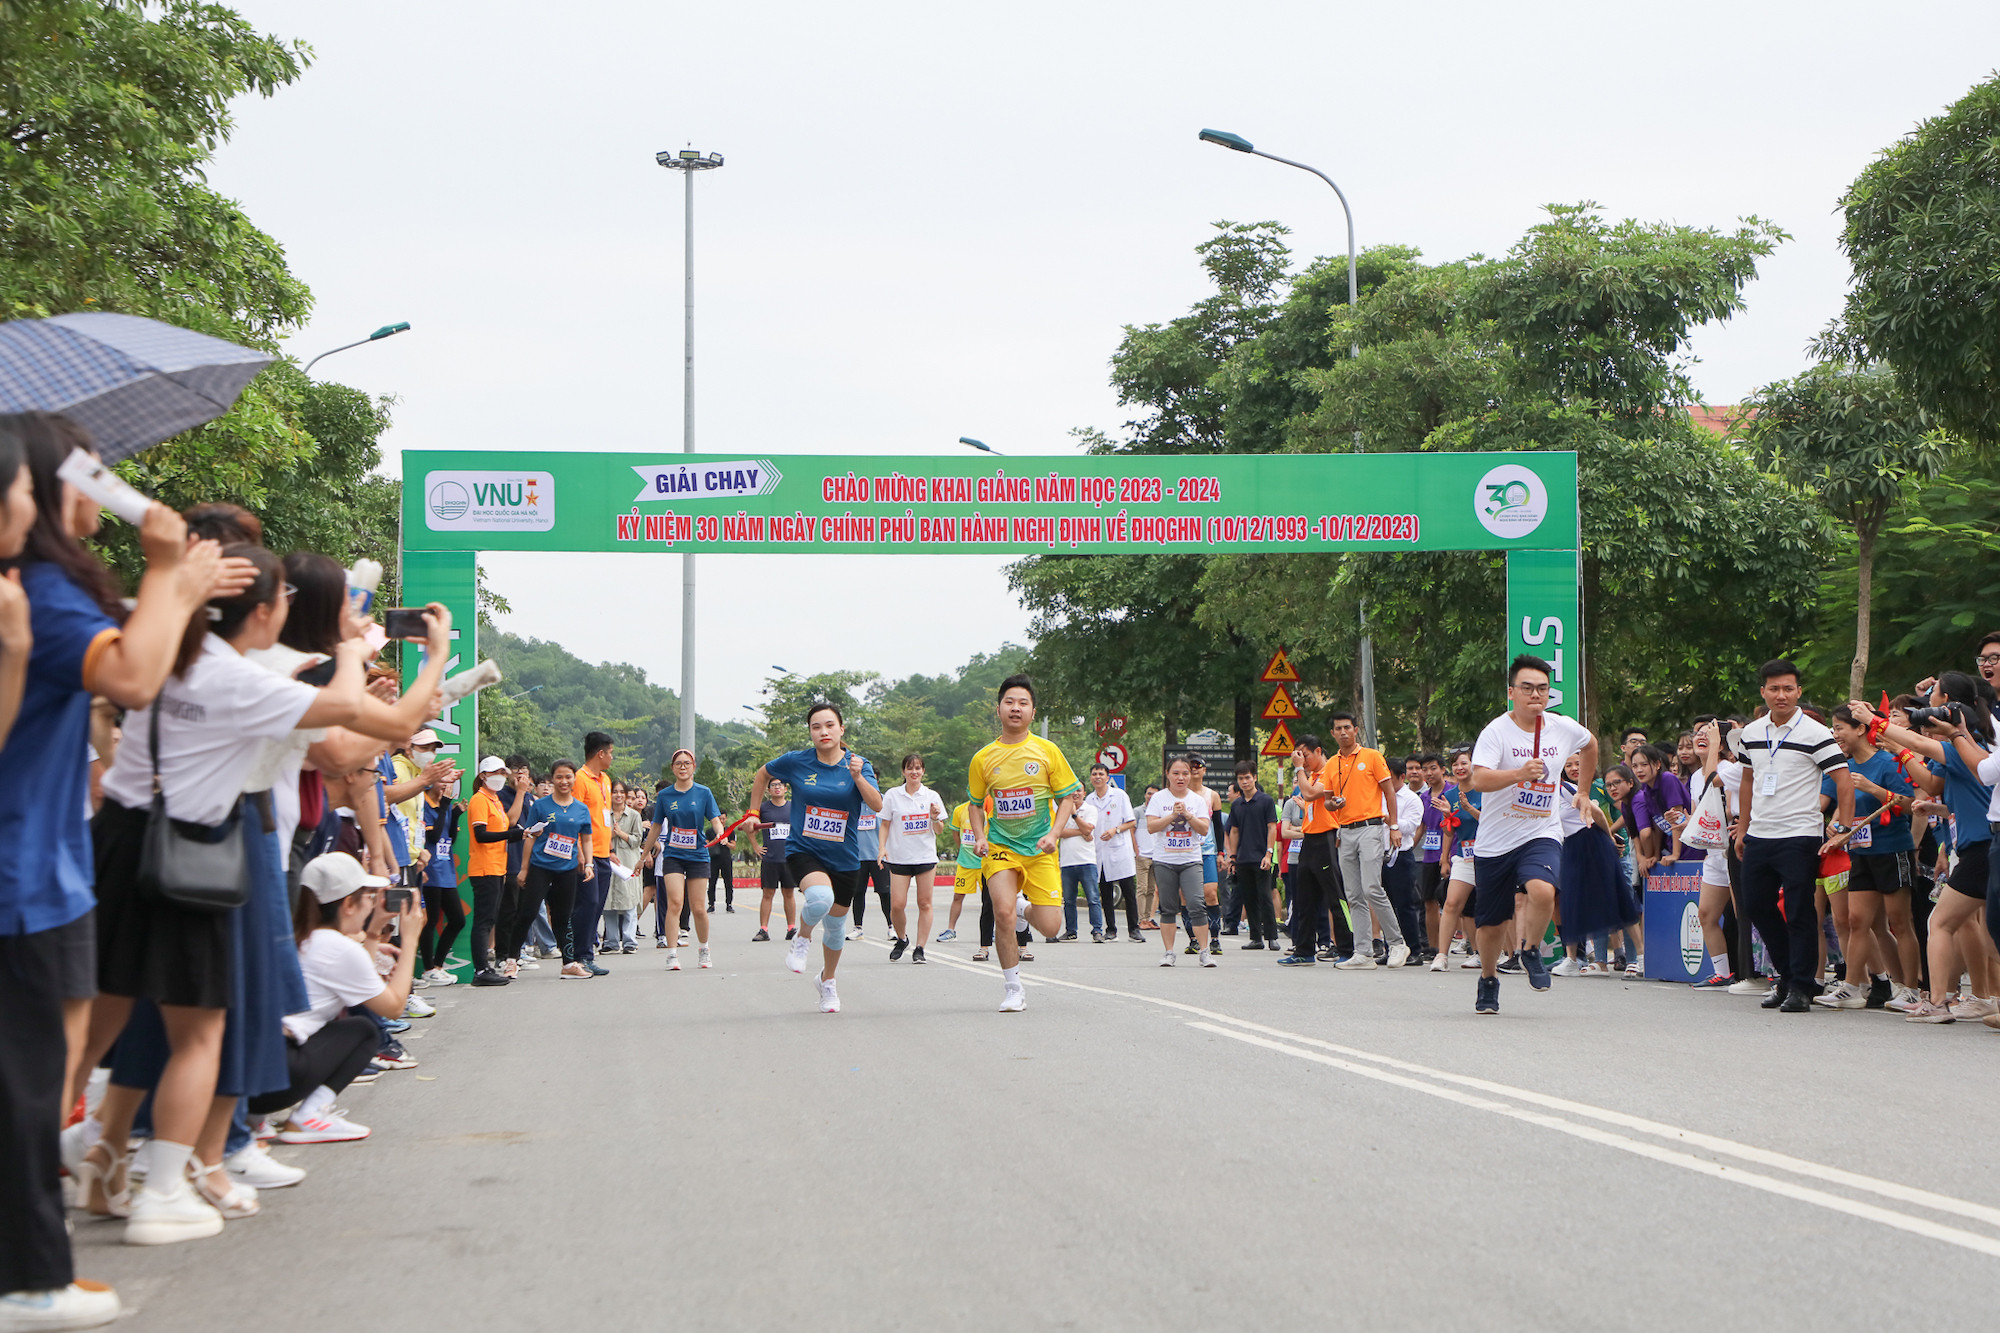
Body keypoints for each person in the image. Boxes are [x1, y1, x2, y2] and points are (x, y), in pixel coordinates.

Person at [83, 545, 367, 1242]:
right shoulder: (249, 672)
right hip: (222, 845)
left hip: (182, 840)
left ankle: (121, 1150)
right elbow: (345, 745)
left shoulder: (183, 654)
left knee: (146, 1016)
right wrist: (354, 650)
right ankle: (189, 1163)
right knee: (211, 1018)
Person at [1848, 681, 1997, 1022]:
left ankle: (1941, 1001)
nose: (1927, 703)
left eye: (1933, 696)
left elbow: (1917, 743)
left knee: (1941, 921)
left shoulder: (1963, 745)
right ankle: (1983, 996)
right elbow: (1933, 786)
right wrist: (1940, 813)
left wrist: (1875, 722)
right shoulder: (1967, 746)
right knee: (1972, 924)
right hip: (1972, 843)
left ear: (1947, 703)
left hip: (1981, 845)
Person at [258, 853, 422, 1145]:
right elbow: (394, 1007)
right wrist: (410, 941)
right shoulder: (337, 948)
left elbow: (359, 985)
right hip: (278, 1079)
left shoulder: (297, 935)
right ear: (348, 904)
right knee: (363, 1030)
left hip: (249, 1077)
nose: (371, 904)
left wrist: (372, 933)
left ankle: (253, 1121)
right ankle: (309, 1115)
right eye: (368, 897)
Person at [1466, 655, 1598, 1013]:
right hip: (1496, 840)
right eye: (1527, 688)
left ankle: (1529, 950)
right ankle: (1489, 979)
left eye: (1542, 688)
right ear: (1512, 692)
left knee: (1543, 890)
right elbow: (1478, 779)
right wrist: (1519, 774)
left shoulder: (1562, 727)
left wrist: (1582, 791)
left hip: (1541, 830)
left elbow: (1590, 746)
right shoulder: (1496, 732)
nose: (1535, 694)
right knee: (1492, 925)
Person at [1729, 659, 1855, 1014]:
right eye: (1774, 688)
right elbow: (1749, 781)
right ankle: (1786, 976)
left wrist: (1843, 828)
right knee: (1756, 905)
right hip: (1759, 834)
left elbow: (1843, 781)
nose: (1781, 695)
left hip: (1800, 834)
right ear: (1763, 692)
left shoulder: (1816, 734)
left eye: (1788, 688)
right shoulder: (1751, 733)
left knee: (1801, 911)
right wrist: (1743, 826)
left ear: (1798, 691)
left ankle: (1802, 986)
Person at [740, 703, 881, 1013]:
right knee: (818, 898)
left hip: (844, 856)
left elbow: (877, 804)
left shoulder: (859, 764)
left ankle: (827, 982)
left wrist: (858, 777)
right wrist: (752, 811)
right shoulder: (796, 762)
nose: (823, 732)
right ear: (811, 732)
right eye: (816, 727)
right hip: (805, 850)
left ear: (841, 729)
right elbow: (763, 774)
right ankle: (802, 938)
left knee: (835, 928)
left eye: (830, 725)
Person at [967, 675, 1084, 1011]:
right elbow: (976, 803)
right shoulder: (983, 758)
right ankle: (1013, 986)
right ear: (999, 709)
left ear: (1033, 712)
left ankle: (1022, 907)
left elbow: (1066, 799)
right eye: (1009, 702)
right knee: (1001, 913)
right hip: (1001, 847)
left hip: (1039, 849)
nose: (1015, 708)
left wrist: (1053, 834)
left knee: (1051, 926)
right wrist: (978, 837)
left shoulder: (1048, 751)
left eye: (1023, 703)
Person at [1810, 705, 1921, 1010]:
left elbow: (1909, 805)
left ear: (1860, 729)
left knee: (1899, 921)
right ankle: (1852, 987)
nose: (1836, 735)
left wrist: (1872, 788)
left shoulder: (1887, 762)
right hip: (1859, 852)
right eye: (1833, 728)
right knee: (1858, 921)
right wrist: (1836, 824)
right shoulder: (1841, 768)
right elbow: (1831, 805)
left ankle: (1911, 990)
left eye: (1839, 728)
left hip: (1892, 849)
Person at [1323, 712, 1409, 969]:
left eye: (1347, 727)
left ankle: (1397, 943)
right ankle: (1363, 953)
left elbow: (1389, 792)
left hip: (1371, 827)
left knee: (1372, 887)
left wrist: (1394, 825)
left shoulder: (1372, 756)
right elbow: (1327, 801)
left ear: (1356, 729)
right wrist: (1333, 803)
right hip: (1344, 831)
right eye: (1338, 728)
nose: (1343, 732)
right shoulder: (1331, 764)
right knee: (1353, 894)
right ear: (1333, 733)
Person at [504, 760, 596, 980]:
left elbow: (586, 839)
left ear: (574, 779)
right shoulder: (541, 806)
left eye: (568, 777)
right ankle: (511, 960)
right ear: (552, 779)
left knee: (564, 917)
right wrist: (524, 869)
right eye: (559, 777)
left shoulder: (581, 809)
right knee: (527, 913)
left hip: (567, 869)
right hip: (540, 867)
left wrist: (589, 863)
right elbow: (530, 838)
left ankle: (569, 963)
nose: (564, 781)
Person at [647, 748, 723, 972]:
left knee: (699, 908)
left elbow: (715, 820)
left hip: (698, 855)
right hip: (673, 855)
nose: (682, 766)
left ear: (693, 767)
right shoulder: (665, 796)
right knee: (675, 903)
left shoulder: (704, 792)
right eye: (678, 763)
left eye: (686, 763)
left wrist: (719, 832)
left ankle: (704, 948)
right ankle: (672, 953)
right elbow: (656, 826)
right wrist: (644, 855)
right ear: (672, 768)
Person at [1281, 734, 1348, 967]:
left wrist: (1299, 769)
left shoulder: (1330, 770)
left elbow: (1310, 793)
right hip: (1309, 839)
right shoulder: (1312, 775)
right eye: (1299, 756)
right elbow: (1309, 798)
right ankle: (1304, 950)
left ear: (1318, 751)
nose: (1302, 760)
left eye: (1305, 755)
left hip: (1326, 838)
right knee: (1304, 898)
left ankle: (1347, 949)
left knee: (1335, 895)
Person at [1144, 756, 1215, 967]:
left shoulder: (1196, 800)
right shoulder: (1159, 799)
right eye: (1175, 773)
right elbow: (1151, 827)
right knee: (1168, 907)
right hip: (1164, 860)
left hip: (1191, 859)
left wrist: (1187, 815)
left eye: (1185, 773)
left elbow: (1203, 829)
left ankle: (1204, 951)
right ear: (1167, 774)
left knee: (1196, 904)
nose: (1180, 777)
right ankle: (1168, 953)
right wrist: (1172, 816)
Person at [877, 754, 946, 961]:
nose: (914, 772)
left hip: (924, 857)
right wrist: (882, 848)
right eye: (910, 768)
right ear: (903, 772)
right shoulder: (892, 795)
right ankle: (902, 938)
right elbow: (885, 824)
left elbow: (940, 829)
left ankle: (920, 948)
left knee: (924, 903)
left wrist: (934, 818)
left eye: (918, 768)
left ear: (923, 771)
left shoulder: (932, 796)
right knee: (897, 905)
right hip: (899, 858)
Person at [466, 756, 528, 985]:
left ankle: (485, 967)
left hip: (496, 867)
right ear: (483, 775)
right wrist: (513, 834)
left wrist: (522, 834)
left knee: (490, 918)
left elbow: (501, 833)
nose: (500, 776)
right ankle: (481, 970)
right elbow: (481, 835)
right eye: (495, 772)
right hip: (484, 868)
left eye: (503, 772)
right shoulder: (480, 800)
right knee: (484, 921)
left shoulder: (495, 801)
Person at [1429, 750, 1483, 972]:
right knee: (1451, 904)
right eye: (1455, 764)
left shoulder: (1485, 790)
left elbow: (1489, 821)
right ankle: (1441, 956)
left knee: (1488, 907)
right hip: (1463, 855)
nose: (1460, 768)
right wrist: (1444, 860)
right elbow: (1449, 831)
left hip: (1489, 855)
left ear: (1473, 764)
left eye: (1464, 763)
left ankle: (1494, 954)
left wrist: (1469, 808)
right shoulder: (1450, 796)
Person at [570, 732, 616, 977]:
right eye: (610, 752)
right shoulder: (579, 779)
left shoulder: (605, 779)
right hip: (586, 854)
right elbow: (574, 816)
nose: (612, 757)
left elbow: (604, 817)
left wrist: (609, 850)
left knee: (596, 906)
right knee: (586, 905)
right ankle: (579, 956)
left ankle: (587, 952)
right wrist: (579, 852)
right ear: (600, 753)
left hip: (603, 853)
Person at [1224, 761, 1279, 950]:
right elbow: (1234, 831)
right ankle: (1256, 938)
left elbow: (1272, 827)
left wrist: (1268, 853)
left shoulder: (1266, 800)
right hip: (1243, 858)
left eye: (1248, 777)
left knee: (1265, 896)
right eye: (1241, 779)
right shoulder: (1237, 804)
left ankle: (1272, 936)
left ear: (1255, 778)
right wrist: (1232, 857)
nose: (1245, 782)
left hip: (1261, 857)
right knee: (1249, 898)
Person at [1085, 764, 1143, 943]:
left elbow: (1131, 822)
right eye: (1094, 774)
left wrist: (1115, 830)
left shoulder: (1119, 795)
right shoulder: (1089, 800)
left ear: (1107, 777)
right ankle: (1111, 929)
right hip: (1099, 852)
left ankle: (1134, 929)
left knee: (1128, 891)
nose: (1097, 777)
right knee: (1106, 892)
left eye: (1101, 773)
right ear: (1091, 778)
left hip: (1120, 850)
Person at [1383, 755, 1427, 963]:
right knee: (1386, 904)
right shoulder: (1380, 796)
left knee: (1405, 904)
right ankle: (1390, 947)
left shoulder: (1412, 799)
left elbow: (1410, 826)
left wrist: (1388, 819)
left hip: (1401, 856)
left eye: (1388, 776)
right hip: (1380, 855)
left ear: (1401, 777)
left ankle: (1414, 949)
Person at [1185, 757, 1224, 953]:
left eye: (1198, 767)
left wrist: (1221, 852)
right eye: (1190, 767)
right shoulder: (1179, 795)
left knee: (1210, 893)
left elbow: (1218, 826)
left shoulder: (1212, 795)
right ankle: (1193, 939)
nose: (1194, 770)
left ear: (1204, 770)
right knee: (1186, 897)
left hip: (1207, 851)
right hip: (1184, 851)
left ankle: (1215, 937)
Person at [1414, 753, 1450, 958]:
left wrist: (1446, 857)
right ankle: (1433, 948)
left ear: (1443, 769)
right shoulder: (1424, 797)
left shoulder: (1452, 793)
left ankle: (1472, 946)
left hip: (1449, 854)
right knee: (1428, 900)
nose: (1428, 773)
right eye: (1425, 769)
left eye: (1433, 768)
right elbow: (1422, 826)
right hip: (1428, 855)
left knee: (1453, 902)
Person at [604, 782, 647, 953]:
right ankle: (611, 941)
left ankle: (629, 941)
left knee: (629, 901)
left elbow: (638, 840)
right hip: (608, 859)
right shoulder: (604, 814)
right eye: (615, 792)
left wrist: (620, 833)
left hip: (627, 861)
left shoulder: (634, 816)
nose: (618, 795)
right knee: (608, 901)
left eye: (622, 792)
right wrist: (610, 835)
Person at [753, 778, 796, 942]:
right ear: (768, 790)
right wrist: (756, 846)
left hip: (789, 859)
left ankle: (791, 928)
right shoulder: (762, 808)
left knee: (789, 893)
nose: (777, 788)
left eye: (780, 785)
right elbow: (750, 827)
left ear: (785, 789)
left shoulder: (793, 807)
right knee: (767, 894)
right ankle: (763, 929)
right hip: (770, 859)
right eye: (773, 785)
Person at [1056, 788, 1101, 942]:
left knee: (1093, 898)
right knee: (1068, 900)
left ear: (1084, 793)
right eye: (1072, 791)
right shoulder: (1061, 810)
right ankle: (1071, 931)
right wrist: (1081, 832)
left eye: (1078, 790)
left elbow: (1089, 829)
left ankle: (1097, 930)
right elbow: (1059, 832)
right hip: (1067, 862)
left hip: (1086, 861)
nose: (1075, 793)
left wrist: (1075, 815)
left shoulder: (1090, 809)